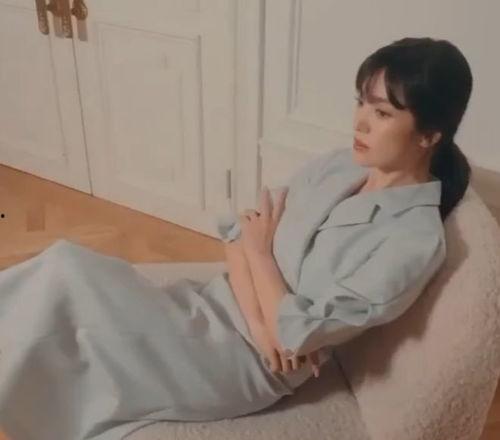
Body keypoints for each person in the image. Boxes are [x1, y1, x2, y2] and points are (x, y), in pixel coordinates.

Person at [0, 37, 472, 440]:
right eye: (361, 102)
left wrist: (262, 256)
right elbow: (238, 233)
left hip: (236, 364)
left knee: (66, 296)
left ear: (429, 135)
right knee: (64, 271)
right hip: (216, 304)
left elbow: (298, 331)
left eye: (382, 112)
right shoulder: (341, 165)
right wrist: (266, 319)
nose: (360, 122)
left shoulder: (413, 241)